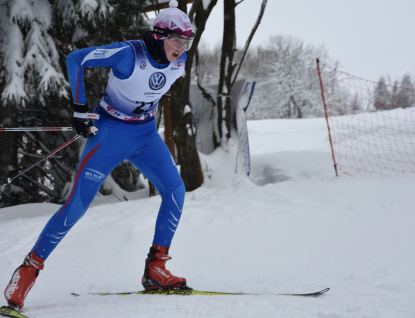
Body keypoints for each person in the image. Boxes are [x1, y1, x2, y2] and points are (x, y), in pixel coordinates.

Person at [4, 0, 195, 311]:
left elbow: (150, 90)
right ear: (159, 36)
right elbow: (77, 59)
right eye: (177, 40)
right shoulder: (129, 53)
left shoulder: (179, 59)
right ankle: (28, 270)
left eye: (187, 41)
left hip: (145, 135)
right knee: (77, 206)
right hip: (110, 134)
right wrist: (80, 109)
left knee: (175, 191)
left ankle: (155, 269)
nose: (182, 47)